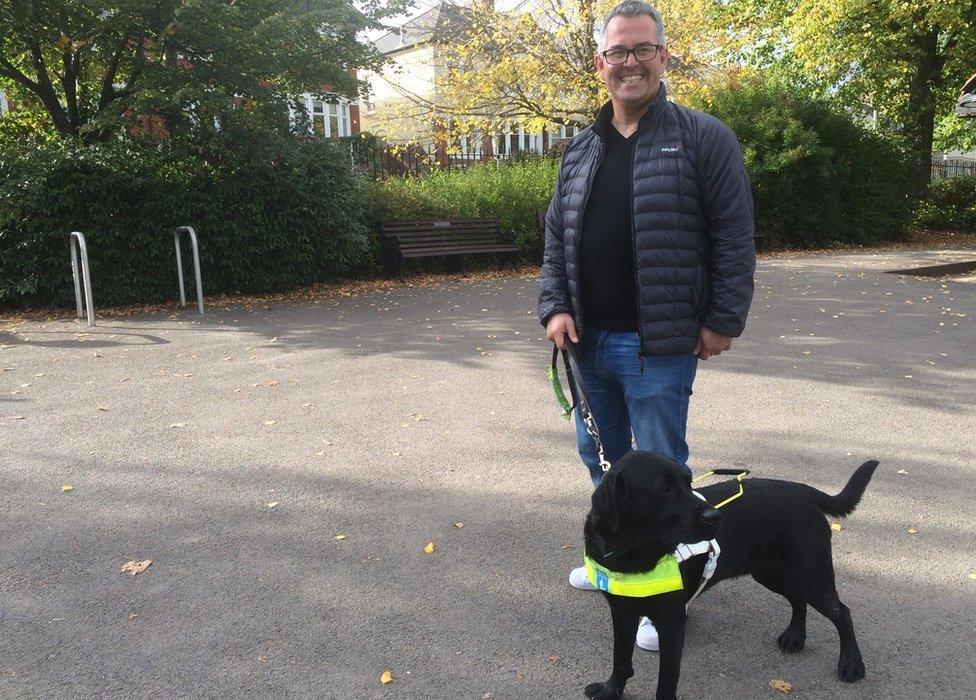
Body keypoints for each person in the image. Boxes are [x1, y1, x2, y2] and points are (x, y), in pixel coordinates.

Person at [537, 0, 756, 650]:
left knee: (662, 472)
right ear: (601, 64)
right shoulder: (580, 150)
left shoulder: (702, 138)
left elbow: (734, 235)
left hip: (657, 344)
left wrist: (722, 317)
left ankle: (666, 591)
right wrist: (554, 306)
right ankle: (614, 564)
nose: (630, 62)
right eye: (618, 52)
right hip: (588, 344)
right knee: (598, 457)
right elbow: (555, 238)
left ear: (663, 58)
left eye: (643, 49)